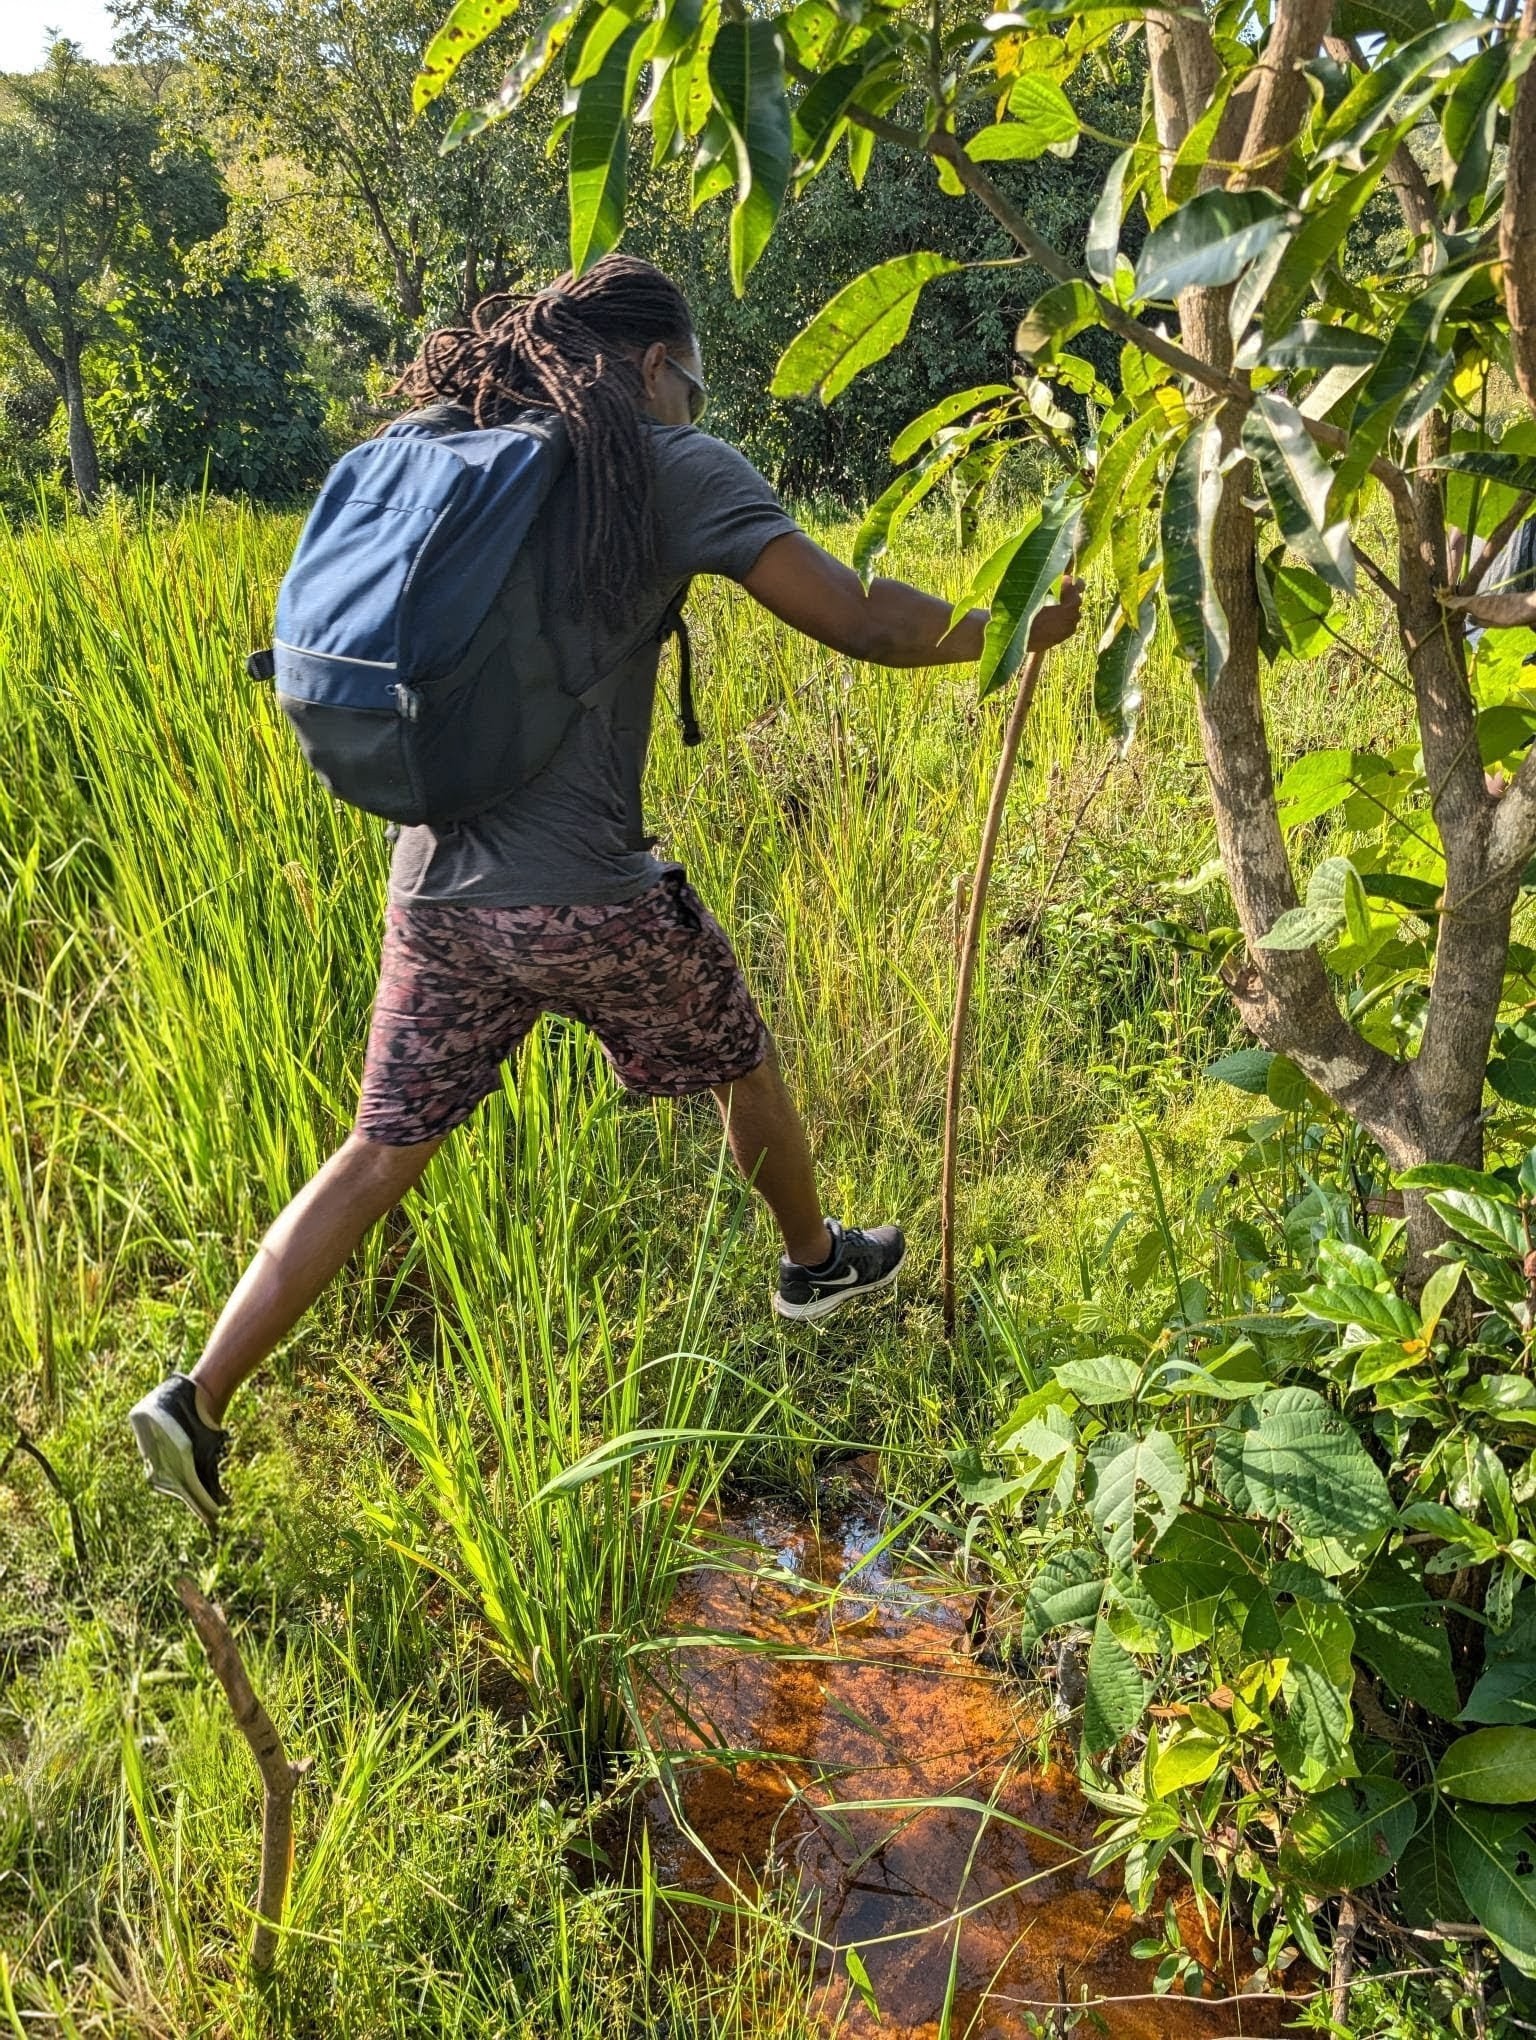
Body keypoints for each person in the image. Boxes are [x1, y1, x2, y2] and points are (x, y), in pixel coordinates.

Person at [128, 254, 1082, 1528]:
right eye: (693, 375)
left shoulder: (463, 458)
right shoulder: (663, 461)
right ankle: (814, 1267)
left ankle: (196, 1395)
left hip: (435, 897)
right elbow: (864, 620)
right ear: (650, 365)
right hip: (585, 895)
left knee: (377, 1149)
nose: (696, 397)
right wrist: (1018, 622)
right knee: (741, 1056)